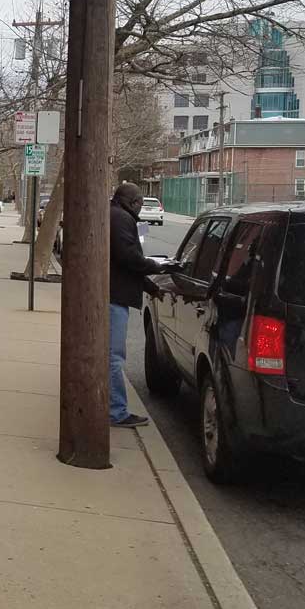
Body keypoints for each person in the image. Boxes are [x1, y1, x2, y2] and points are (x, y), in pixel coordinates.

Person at [110, 182, 170, 428]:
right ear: (132, 202)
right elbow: (129, 259)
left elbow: (124, 262)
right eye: (141, 203)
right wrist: (158, 267)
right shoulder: (123, 219)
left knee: (110, 356)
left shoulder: (115, 215)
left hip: (113, 293)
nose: (141, 208)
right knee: (113, 357)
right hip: (114, 297)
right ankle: (116, 411)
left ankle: (113, 407)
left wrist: (151, 287)